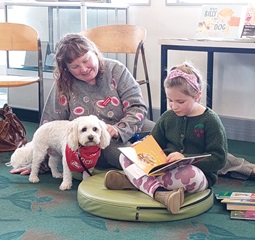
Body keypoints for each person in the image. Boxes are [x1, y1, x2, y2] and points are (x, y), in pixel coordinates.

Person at [11, 33, 154, 174]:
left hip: (126, 125)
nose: (84, 69)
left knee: (161, 130)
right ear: (66, 68)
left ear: (94, 53)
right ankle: (151, 173)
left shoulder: (116, 69)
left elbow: (137, 107)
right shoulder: (63, 84)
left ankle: (168, 161)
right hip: (95, 141)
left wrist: (118, 129)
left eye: (86, 60)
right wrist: (38, 162)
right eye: (75, 66)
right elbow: (49, 126)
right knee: (123, 156)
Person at [104, 62, 229, 214]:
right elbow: (154, 142)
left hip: (196, 174)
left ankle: (135, 182)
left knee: (191, 175)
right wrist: (141, 147)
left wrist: (185, 157)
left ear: (197, 96)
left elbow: (219, 159)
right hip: (163, 170)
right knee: (126, 155)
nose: (173, 106)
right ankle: (160, 192)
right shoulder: (168, 117)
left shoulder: (210, 121)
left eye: (180, 102)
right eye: (170, 100)